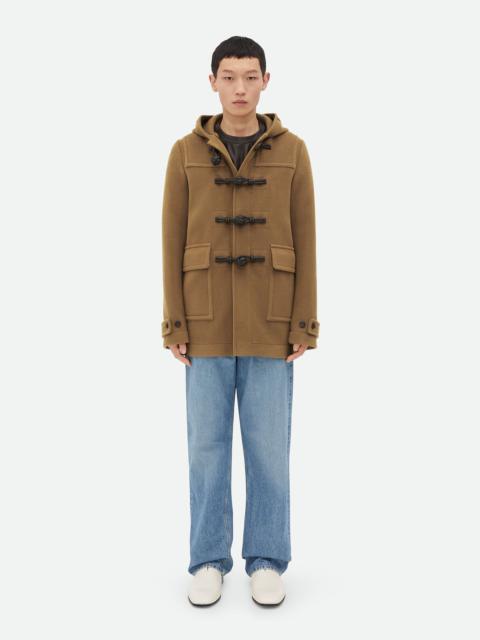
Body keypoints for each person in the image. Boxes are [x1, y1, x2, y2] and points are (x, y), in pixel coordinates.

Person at [161, 36, 319, 607]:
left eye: (250, 77)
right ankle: (207, 559)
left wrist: (304, 323)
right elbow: (170, 240)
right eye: (228, 77)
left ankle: (267, 560)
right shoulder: (184, 152)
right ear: (212, 83)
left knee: (269, 450)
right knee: (205, 450)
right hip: (203, 322)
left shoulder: (294, 151)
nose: (240, 89)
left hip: (271, 322)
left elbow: (307, 238)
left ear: (266, 81)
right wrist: (174, 322)